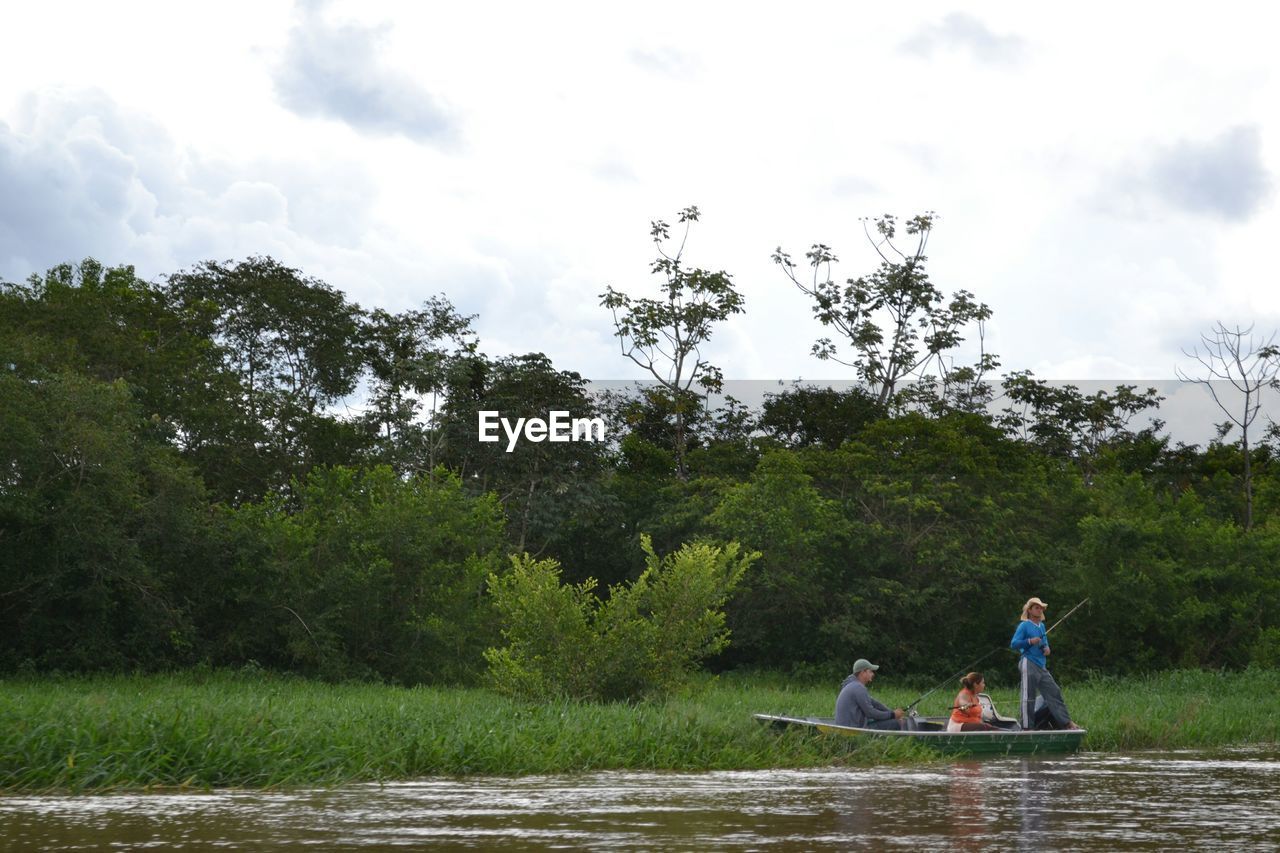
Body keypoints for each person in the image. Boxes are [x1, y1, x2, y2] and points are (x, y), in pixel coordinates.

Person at [1010, 597, 1081, 730]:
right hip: (1028, 662)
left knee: (1054, 691)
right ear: (1030, 610)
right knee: (1028, 695)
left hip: (1041, 665)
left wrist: (1047, 649)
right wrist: (1030, 641)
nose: (1040, 610)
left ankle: (1067, 723)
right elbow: (1014, 643)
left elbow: (1045, 644)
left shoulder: (1042, 626)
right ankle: (1026, 727)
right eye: (1037, 607)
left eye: (1041, 608)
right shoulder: (1024, 625)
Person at [834, 658, 905, 730]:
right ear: (863, 672)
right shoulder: (858, 688)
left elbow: (874, 703)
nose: (873, 674)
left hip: (848, 725)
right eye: (870, 671)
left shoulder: (852, 685)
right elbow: (871, 713)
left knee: (887, 719)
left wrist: (891, 712)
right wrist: (892, 715)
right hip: (853, 729)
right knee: (896, 723)